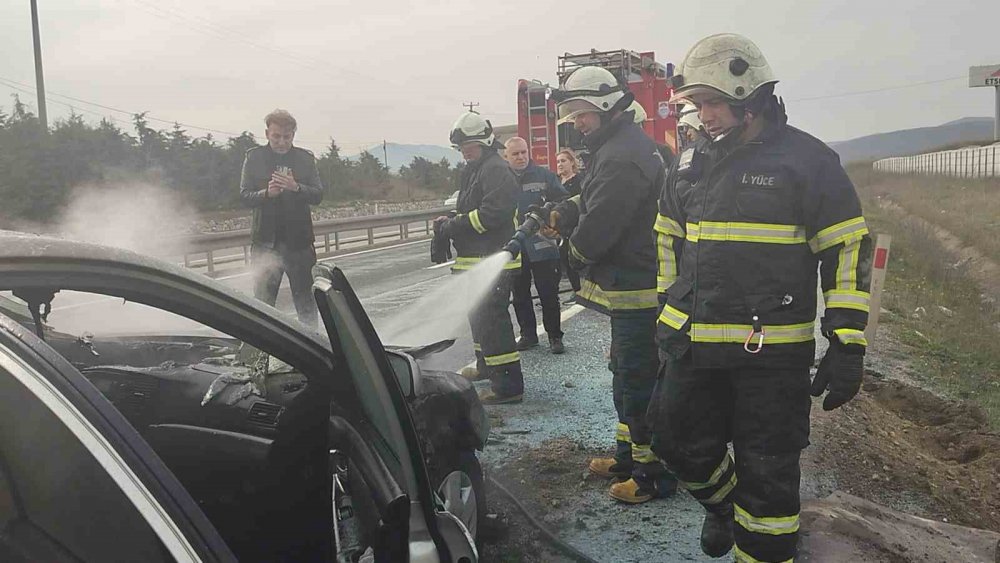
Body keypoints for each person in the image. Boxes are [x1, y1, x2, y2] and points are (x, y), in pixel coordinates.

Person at [649, 34, 872, 562]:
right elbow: (666, 237)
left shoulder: (809, 161)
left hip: (770, 358)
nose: (703, 116)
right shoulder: (687, 163)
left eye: (713, 103)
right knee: (672, 441)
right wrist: (665, 313)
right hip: (693, 345)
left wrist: (847, 339)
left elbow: (844, 248)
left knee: (768, 478)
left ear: (751, 97)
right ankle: (724, 508)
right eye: (696, 105)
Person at [544, 66, 677, 504]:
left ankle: (652, 474)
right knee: (624, 374)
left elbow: (602, 222)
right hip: (629, 288)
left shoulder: (622, 154)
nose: (577, 124)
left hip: (638, 289)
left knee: (638, 379)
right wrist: (567, 208)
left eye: (581, 115)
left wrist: (573, 252)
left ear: (603, 107)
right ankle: (627, 456)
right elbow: (594, 195)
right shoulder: (615, 147)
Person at [435, 112, 525, 405]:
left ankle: (508, 387)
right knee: (479, 319)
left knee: (493, 323)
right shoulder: (475, 169)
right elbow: (469, 206)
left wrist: (455, 225)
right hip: (474, 259)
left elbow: (492, 215)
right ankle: (486, 365)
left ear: (484, 142)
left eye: (469, 146)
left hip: (492, 258)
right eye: (461, 148)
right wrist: (448, 221)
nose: (465, 152)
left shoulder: (496, 169)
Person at [239, 109, 323, 326]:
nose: (281, 142)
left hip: (299, 245)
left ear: (293, 135)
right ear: (267, 133)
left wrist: (296, 187)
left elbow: (318, 195)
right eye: (276, 136)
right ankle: (258, 359)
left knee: (306, 306)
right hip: (265, 244)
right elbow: (244, 196)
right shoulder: (254, 157)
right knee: (263, 308)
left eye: (287, 137)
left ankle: (313, 354)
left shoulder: (305, 159)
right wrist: (266, 193)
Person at [504, 137, 568, 354]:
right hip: (516, 249)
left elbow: (563, 200)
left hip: (543, 246)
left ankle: (554, 337)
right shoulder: (500, 179)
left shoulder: (545, 176)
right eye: (515, 154)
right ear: (507, 157)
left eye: (523, 152)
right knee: (520, 296)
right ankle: (528, 335)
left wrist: (551, 215)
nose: (521, 157)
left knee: (548, 294)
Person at [555, 149, 583, 303]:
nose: (560, 164)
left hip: (575, 226)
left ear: (572, 162)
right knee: (562, 260)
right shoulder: (556, 182)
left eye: (563, 161)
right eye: (558, 161)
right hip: (559, 228)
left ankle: (579, 291)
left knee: (573, 259)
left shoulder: (579, 181)